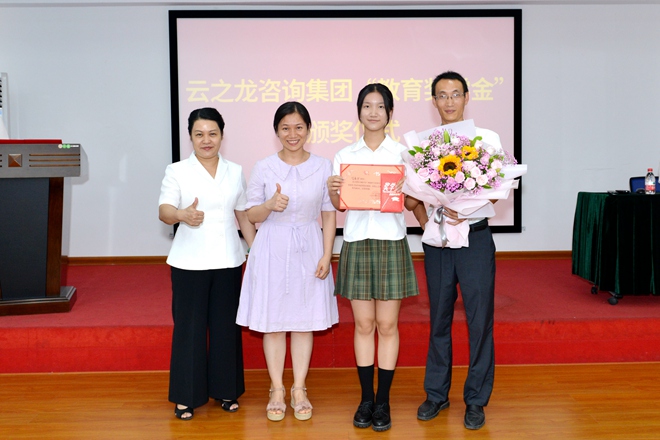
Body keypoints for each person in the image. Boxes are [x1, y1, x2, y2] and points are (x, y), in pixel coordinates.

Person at [236, 101, 338, 422]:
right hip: (272, 247)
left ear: (308, 130)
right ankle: (277, 389)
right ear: (276, 131)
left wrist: (326, 254)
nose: (292, 134)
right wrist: (269, 205)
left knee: (304, 321)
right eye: (285, 128)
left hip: (309, 245)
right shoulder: (264, 167)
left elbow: (328, 213)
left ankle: (299, 388)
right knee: (275, 322)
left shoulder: (323, 166)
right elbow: (250, 214)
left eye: (299, 127)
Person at [327, 83, 420, 432]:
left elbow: (411, 203)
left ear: (390, 113)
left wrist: (410, 189)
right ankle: (366, 398)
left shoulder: (404, 155)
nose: (374, 112)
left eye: (381, 106)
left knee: (388, 326)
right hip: (357, 240)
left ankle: (384, 401)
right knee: (364, 325)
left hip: (391, 241)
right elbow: (339, 206)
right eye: (367, 106)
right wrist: (333, 191)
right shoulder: (344, 155)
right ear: (359, 112)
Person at [411, 71, 501, 430]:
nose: (449, 101)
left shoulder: (486, 139)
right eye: (442, 95)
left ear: (466, 97)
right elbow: (412, 196)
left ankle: (476, 399)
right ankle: (436, 394)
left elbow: (497, 188)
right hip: (439, 243)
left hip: (475, 239)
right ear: (434, 101)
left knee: (479, 321)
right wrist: (428, 221)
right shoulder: (424, 146)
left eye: (455, 94)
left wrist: (466, 208)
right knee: (439, 319)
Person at [158, 107, 256, 420]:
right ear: (190, 137)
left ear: (222, 135)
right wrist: (181, 215)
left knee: (226, 327)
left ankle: (226, 390)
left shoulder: (235, 170)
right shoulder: (177, 171)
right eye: (199, 134)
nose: (206, 140)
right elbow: (164, 210)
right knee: (190, 329)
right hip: (189, 262)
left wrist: (256, 251)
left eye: (212, 133)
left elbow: (242, 214)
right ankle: (186, 397)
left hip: (228, 260)